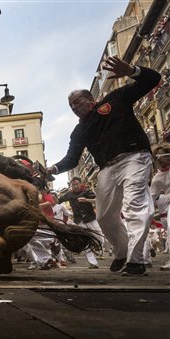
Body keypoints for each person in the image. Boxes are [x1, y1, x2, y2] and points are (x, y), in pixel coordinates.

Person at [47, 56, 161, 276]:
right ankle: (122, 252)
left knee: (134, 205)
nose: (74, 108)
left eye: (77, 102)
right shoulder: (79, 130)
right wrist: (52, 169)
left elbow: (153, 79)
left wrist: (132, 70)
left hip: (134, 157)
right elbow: (71, 159)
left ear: (91, 99)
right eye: (70, 106)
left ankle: (136, 261)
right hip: (107, 169)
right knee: (105, 217)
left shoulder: (116, 99)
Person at [59, 177, 103, 269]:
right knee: (85, 242)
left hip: (90, 219)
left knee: (100, 237)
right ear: (71, 185)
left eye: (76, 184)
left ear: (80, 184)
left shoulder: (87, 192)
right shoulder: (69, 194)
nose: (75, 186)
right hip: (79, 221)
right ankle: (93, 263)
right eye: (73, 185)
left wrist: (87, 200)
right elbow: (58, 200)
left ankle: (98, 248)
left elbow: (98, 199)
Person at [150, 143, 170, 271]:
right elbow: (151, 198)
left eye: (163, 156)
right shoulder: (157, 178)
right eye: (158, 158)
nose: (161, 160)